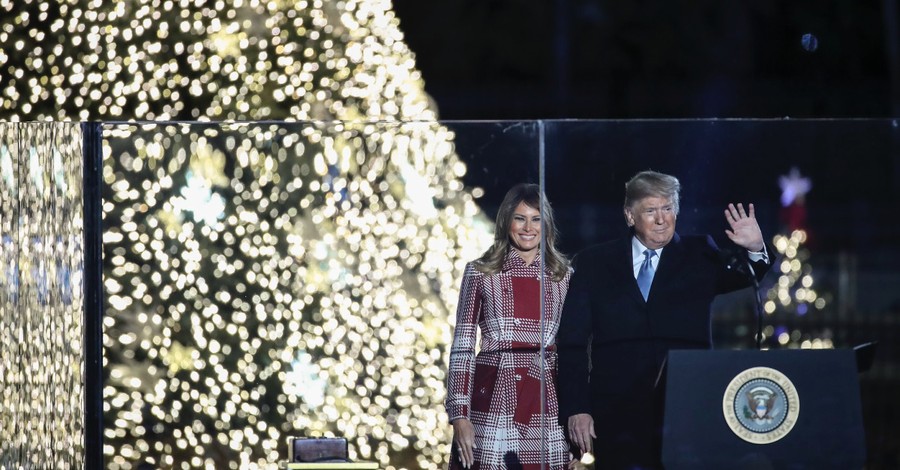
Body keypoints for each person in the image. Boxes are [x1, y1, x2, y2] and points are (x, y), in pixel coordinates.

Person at [556, 170, 773, 469]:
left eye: (668, 208)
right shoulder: (594, 262)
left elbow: (744, 276)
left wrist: (755, 249)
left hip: (686, 408)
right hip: (616, 414)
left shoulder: (700, 253)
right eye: (650, 210)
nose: (661, 219)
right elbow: (572, 343)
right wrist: (577, 408)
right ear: (630, 216)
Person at [446, 183, 573, 470]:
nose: (528, 227)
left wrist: (577, 414)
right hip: (493, 395)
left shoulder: (563, 276)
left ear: (547, 224)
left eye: (537, 219)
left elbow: (574, 351)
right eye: (520, 218)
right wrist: (459, 414)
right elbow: (463, 347)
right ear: (506, 221)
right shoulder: (480, 271)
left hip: (547, 398)